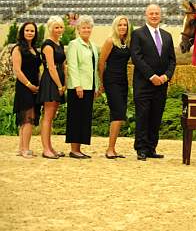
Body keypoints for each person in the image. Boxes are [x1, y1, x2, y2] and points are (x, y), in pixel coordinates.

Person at [130, 4, 176, 161]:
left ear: (161, 15)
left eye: (157, 13)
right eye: (151, 13)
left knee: (156, 116)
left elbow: (172, 61)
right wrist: (151, 76)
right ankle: (141, 149)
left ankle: (151, 148)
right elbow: (137, 58)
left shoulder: (167, 35)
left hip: (161, 85)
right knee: (143, 116)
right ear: (146, 15)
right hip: (144, 84)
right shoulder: (137, 34)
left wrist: (165, 76)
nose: (154, 16)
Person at [65, 15, 100, 159]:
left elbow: (94, 68)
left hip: (89, 87)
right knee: (76, 117)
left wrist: (96, 86)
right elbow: (72, 66)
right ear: (78, 29)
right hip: (78, 87)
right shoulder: (74, 44)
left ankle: (78, 148)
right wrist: (78, 85)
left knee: (84, 118)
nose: (86, 29)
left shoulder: (92, 45)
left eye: (88, 27)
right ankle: (74, 150)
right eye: (83, 27)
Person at [99, 16, 131, 159]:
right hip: (111, 81)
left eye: (125, 25)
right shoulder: (110, 41)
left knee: (119, 114)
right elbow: (101, 63)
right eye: (120, 25)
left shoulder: (127, 42)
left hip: (123, 81)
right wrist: (101, 83)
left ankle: (112, 148)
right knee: (118, 113)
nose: (123, 27)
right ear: (115, 26)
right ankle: (110, 149)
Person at [37, 16, 67, 159]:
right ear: (50, 28)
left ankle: (50, 147)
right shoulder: (48, 45)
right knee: (48, 116)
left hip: (59, 81)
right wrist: (60, 85)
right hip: (51, 81)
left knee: (52, 115)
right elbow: (51, 68)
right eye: (56, 27)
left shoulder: (59, 43)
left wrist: (65, 82)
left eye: (61, 27)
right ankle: (46, 149)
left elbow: (62, 65)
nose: (59, 29)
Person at [11, 22, 41, 158]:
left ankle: (20, 148)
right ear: (22, 32)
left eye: (32, 31)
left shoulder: (34, 49)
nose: (30, 33)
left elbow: (37, 69)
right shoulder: (17, 49)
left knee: (26, 118)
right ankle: (25, 149)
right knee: (28, 117)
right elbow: (17, 70)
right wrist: (29, 85)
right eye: (27, 30)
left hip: (34, 86)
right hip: (24, 87)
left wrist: (38, 85)